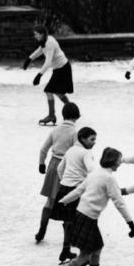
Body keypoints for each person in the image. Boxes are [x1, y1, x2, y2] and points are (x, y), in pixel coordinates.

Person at [42, 147, 134, 266]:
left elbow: (79, 191)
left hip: (81, 215)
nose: (120, 163)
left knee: (97, 248)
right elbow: (119, 202)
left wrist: (63, 200)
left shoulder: (94, 174)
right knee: (85, 255)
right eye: (119, 161)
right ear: (113, 161)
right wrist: (131, 224)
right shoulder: (109, 179)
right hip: (88, 218)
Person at [35, 102, 80, 243]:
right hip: (68, 167)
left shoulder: (55, 130)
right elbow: (77, 152)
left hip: (53, 165)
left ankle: (42, 230)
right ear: (76, 117)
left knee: (50, 200)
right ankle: (70, 237)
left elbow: (43, 149)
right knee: (69, 202)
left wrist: (42, 164)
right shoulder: (75, 133)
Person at [51, 126, 97, 263]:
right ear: (83, 139)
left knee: (68, 222)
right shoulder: (86, 153)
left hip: (64, 188)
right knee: (83, 222)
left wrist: (65, 180)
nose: (94, 142)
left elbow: (60, 168)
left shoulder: (70, 150)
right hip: (77, 190)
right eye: (92, 139)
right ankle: (85, 256)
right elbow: (91, 169)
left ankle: (65, 250)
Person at [23, 25, 73, 125]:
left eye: (36, 34)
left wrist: (39, 75)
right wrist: (29, 59)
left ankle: (52, 115)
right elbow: (41, 50)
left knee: (49, 90)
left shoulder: (50, 43)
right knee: (58, 92)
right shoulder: (45, 40)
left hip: (63, 69)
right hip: (60, 68)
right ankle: (72, 112)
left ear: (41, 34)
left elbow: (48, 62)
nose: (35, 36)